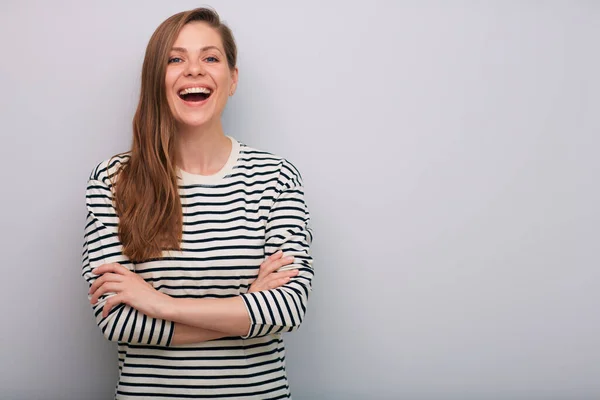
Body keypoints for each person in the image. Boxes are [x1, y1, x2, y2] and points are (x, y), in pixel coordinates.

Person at [81, 7, 314, 399]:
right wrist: (247, 307)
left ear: (232, 78)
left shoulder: (276, 177)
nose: (194, 70)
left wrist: (159, 303)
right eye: (176, 59)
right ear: (157, 79)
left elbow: (288, 309)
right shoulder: (112, 180)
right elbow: (119, 322)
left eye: (210, 57)